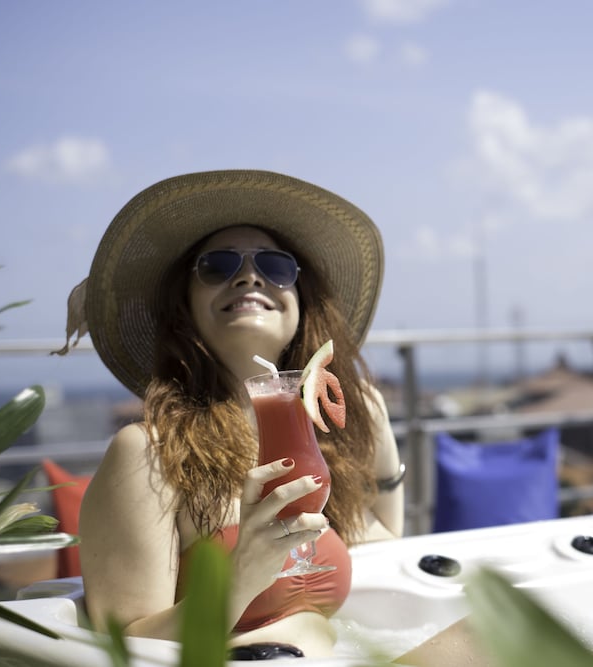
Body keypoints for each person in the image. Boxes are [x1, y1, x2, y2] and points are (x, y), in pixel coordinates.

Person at [55, 170, 405, 658]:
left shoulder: (315, 439)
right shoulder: (148, 454)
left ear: (302, 300)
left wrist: (378, 434)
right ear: (184, 305)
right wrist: (240, 577)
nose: (249, 277)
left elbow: (388, 550)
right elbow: (125, 647)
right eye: (218, 266)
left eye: (275, 266)